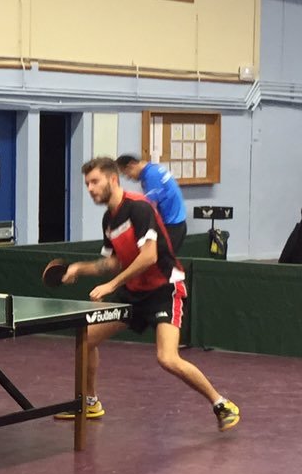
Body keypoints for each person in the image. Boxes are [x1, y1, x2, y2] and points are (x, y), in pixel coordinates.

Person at [57, 157, 240, 432]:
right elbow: (113, 262)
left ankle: (221, 403)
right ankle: (90, 402)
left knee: (167, 358)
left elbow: (149, 256)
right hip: (134, 292)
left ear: (113, 179)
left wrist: (112, 285)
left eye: (95, 182)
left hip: (164, 288)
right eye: (87, 184)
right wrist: (79, 268)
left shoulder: (139, 208)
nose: (90, 189)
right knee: (85, 340)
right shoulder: (109, 219)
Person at [116, 153, 187, 252]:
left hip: (172, 226)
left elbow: (150, 207)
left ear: (131, 165)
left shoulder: (151, 176)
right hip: (177, 221)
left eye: (126, 174)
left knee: (160, 259)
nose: (128, 178)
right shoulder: (153, 169)